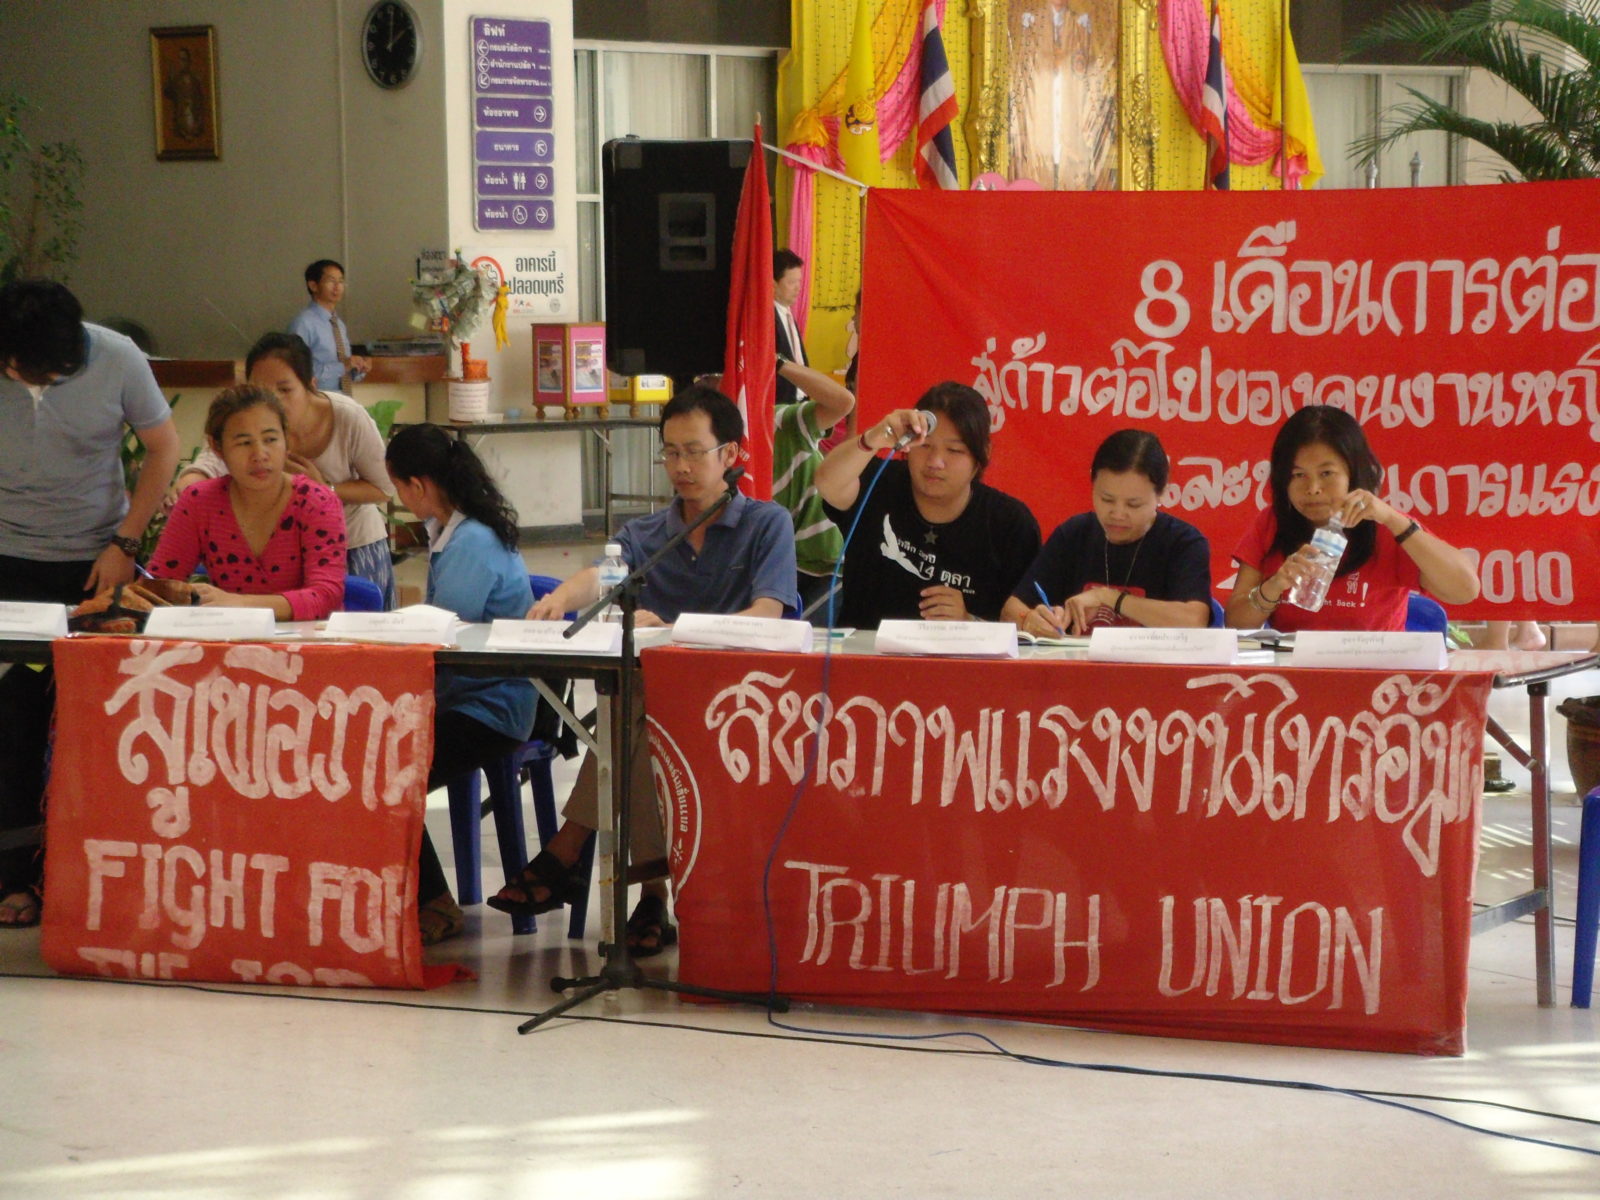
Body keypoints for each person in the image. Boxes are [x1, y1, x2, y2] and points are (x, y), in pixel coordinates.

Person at [488, 385, 797, 956]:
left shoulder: (766, 523)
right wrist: (562, 598)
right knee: (639, 712)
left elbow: (768, 614)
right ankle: (649, 895)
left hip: (740, 704)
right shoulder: (649, 533)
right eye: (670, 452)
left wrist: (673, 633)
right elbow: (602, 571)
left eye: (694, 452)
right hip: (661, 703)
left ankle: (572, 850)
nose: (680, 467)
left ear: (730, 455)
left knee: (633, 710)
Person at [0, 279, 182, 928]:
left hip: (95, 562)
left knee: (103, 722)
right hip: (9, 566)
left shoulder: (116, 357)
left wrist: (125, 542)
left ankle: (105, 876)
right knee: (13, 719)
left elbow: (164, 447)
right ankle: (16, 877)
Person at [384, 424, 537, 945]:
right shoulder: (457, 532)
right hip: (468, 698)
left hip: (491, 707)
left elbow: (442, 633)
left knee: (388, 773)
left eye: (399, 489)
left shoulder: (470, 541)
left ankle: (435, 903)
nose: (401, 500)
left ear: (418, 486)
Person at [169, 332, 396, 606]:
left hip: (352, 545)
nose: (272, 399)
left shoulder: (348, 417)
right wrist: (188, 485)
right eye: (261, 389)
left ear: (311, 385)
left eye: (284, 389)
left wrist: (328, 489)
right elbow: (211, 462)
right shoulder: (246, 421)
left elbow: (384, 488)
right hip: (281, 555)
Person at [1225, 405, 1479, 631]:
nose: (1312, 488)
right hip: (1295, 672)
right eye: (1298, 475)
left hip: (1376, 674)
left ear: (1354, 473)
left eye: (1326, 473)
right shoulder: (1272, 523)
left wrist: (1394, 520)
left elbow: (1464, 590)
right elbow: (1236, 623)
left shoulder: (1388, 526)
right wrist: (1274, 585)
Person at [815, 381, 1040, 627]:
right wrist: (874, 438)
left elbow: (1024, 627)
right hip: (865, 655)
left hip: (963, 661)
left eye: (954, 451)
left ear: (982, 455)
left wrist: (968, 621)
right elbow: (827, 484)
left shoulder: (1010, 524)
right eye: (924, 445)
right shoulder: (878, 481)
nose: (935, 462)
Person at [148, 384, 346, 621]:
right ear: (217, 447)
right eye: (244, 443)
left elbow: (326, 596)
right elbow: (158, 585)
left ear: (287, 440)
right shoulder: (198, 503)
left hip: (307, 646)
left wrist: (239, 603)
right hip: (226, 643)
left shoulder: (317, 502)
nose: (260, 454)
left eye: (271, 439)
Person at [1002, 429, 1213, 636]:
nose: (1118, 514)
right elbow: (1010, 610)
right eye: (1107, 500)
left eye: (1133, 504)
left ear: (1162, 493)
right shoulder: (1074, 535)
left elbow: (1194, 621)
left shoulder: (1183, 542)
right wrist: (1028, 619)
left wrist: (1110, 598)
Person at [774, 357, 855, 621]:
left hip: (826, 565)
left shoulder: (776, 420)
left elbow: (843, 402)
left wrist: (775, 363)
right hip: (772, 568)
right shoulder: (709, 455)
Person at [289, 259, 371, 393]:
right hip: (317, 400)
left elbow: (344, 371)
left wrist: (359, 368)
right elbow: (296, 369)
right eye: (331, 281)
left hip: (343, 400)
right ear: (313, 285)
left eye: (341, 281)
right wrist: (342, 366)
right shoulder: (303, 323)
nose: (337, 286)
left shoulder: (338, 324)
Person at [773, 248, 808, 405]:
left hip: (801, 400)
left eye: (799, 281)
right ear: (773, 284)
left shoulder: (787, 313)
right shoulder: (768, 319)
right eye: (791, 282)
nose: (798, 288)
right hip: (781, 404)